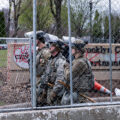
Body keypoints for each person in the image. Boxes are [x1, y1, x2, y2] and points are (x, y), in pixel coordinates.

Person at [62, 39, 94, 104]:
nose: (71, 49)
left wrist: (66, 66)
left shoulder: (80, 62)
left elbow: (68, 76)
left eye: (73, 47)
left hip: (80, 96)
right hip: (76, 93)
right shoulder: (77, 60)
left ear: (78, 50)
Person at [41, 39, 66, 106]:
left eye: (52, 46)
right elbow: (46, 74)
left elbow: (60, 78)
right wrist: (44, 89)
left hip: (56, 91)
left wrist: (54, 92)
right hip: (49, 89)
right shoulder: (51, 60)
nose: (50, 47)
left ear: (57, 48)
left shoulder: (60, 61)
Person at [35, 32, 51, 106]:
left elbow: (50, 65)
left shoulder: (46, 51)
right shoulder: (39, 51)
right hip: (38, 78)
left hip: (43, 79)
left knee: (41, 101)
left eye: (35, 39)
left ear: (38, 40)